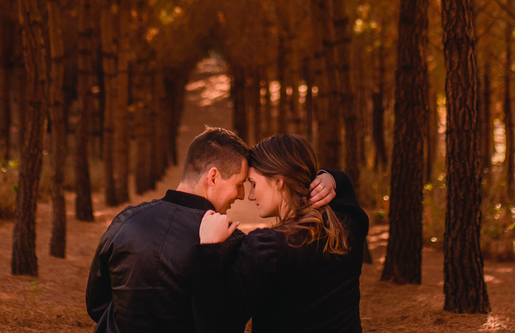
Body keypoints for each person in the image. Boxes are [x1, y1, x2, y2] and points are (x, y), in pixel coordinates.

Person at [86, 127, 336, 333]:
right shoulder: (231, 242)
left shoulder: (125, 222)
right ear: (213, 177)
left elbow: (96, 305)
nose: (241, 195)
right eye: (239, 184)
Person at [195, 134, 370, 333]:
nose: (251, 196)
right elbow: (345, 186)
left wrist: (208, 249)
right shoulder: (348, 225)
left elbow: (216, 325)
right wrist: (329, 178)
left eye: (253, 184)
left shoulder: (267, 249)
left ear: (279, 180)